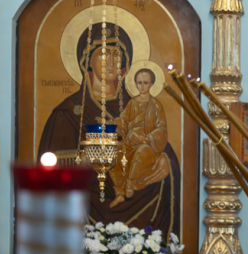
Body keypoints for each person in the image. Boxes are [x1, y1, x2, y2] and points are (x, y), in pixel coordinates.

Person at [38, 23, 181, 237]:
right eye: (104, 53)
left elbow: (159, 139)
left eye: (117, 54)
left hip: (141, 205)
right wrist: (82, 160)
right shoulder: (67, 112)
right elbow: (47, 168)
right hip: (86, 206)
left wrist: (165, 161)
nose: (112, 61)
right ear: (87, 60)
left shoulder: (139, 106)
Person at [109, 68, 169, 208]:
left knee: (141, 153)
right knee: (115, 156)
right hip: (130, 142)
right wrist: (113, 124)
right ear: (135, 84)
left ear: (151, 84)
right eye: (139, 83)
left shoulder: (155, 105)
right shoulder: (132, 103)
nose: (142, 86)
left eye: (145, 83)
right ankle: (119, 193)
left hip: (146, 144)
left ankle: (131, 186)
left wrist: (146, 138)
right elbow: (123, 120)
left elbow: (161, 128)